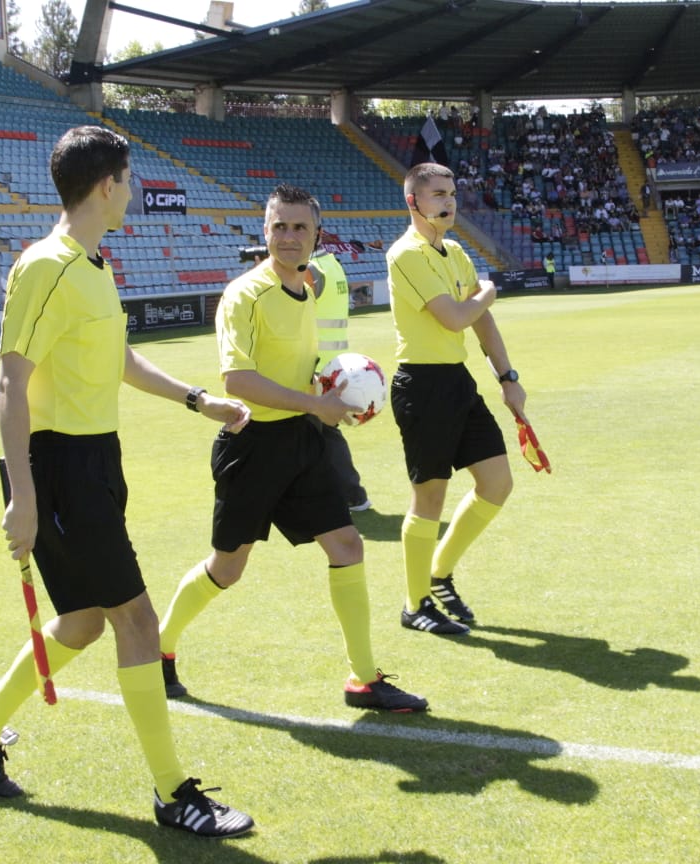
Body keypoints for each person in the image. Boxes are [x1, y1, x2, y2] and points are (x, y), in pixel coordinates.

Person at [0, 126, 254, 839]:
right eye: (130, 177)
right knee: (137, 621)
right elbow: (9, 381)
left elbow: (118, 359)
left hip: (94, 463)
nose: (136, 190)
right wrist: (22, 496)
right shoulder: (47, 265)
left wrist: (197, 399)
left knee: (84, 622)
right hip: (58, 469)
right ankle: (173, 792)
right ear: (107, 184)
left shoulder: (93, 265)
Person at [157, 184, 427, 714]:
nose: (288, 236)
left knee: (348, 546)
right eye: (279, 226)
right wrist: (313, 406)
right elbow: (237, 380)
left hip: (302, 443)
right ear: (264, 231)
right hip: (253, 446)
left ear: (316, 236)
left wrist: (335, 391)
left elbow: (299, 351)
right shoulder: (244, 295)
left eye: (299, 227)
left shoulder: (306, 285)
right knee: (227, 568)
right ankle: (159, 647)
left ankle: (362, 680)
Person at [387, 162, 526, 637]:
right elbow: (455, 316)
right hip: (421, 387)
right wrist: (487, 290)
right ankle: (414, 604)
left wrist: (507, 377)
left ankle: (439, 573)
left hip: (457, 382)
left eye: (451, 194)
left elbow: (481, 321)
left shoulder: (456, 252)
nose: (448, 202)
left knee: (497, 483)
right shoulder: (405, 255)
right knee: (430, 497)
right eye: (438, 195)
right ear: (414, 202)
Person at [307, 240, 372, 511]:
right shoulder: (331, 264)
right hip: (331, 365)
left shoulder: (310, 270)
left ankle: (350, 494)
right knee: (322, 433)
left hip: (312, 367)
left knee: (317, 433)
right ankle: (350, 494)